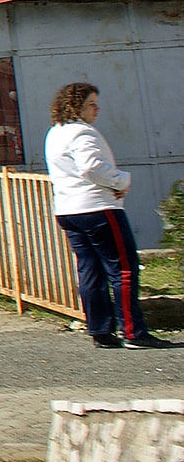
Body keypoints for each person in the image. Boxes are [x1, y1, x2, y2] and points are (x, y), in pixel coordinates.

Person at [46, 82, 167, 349]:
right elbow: (91, 167)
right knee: (123, 269)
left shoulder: (55, 132)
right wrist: (121, 181)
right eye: (91, 103)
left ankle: (100, 330)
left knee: (89, 270)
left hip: (68, 209)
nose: (97, 109)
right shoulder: (82, 133)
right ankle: (133, 332)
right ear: (76, 106)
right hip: (97, 207)